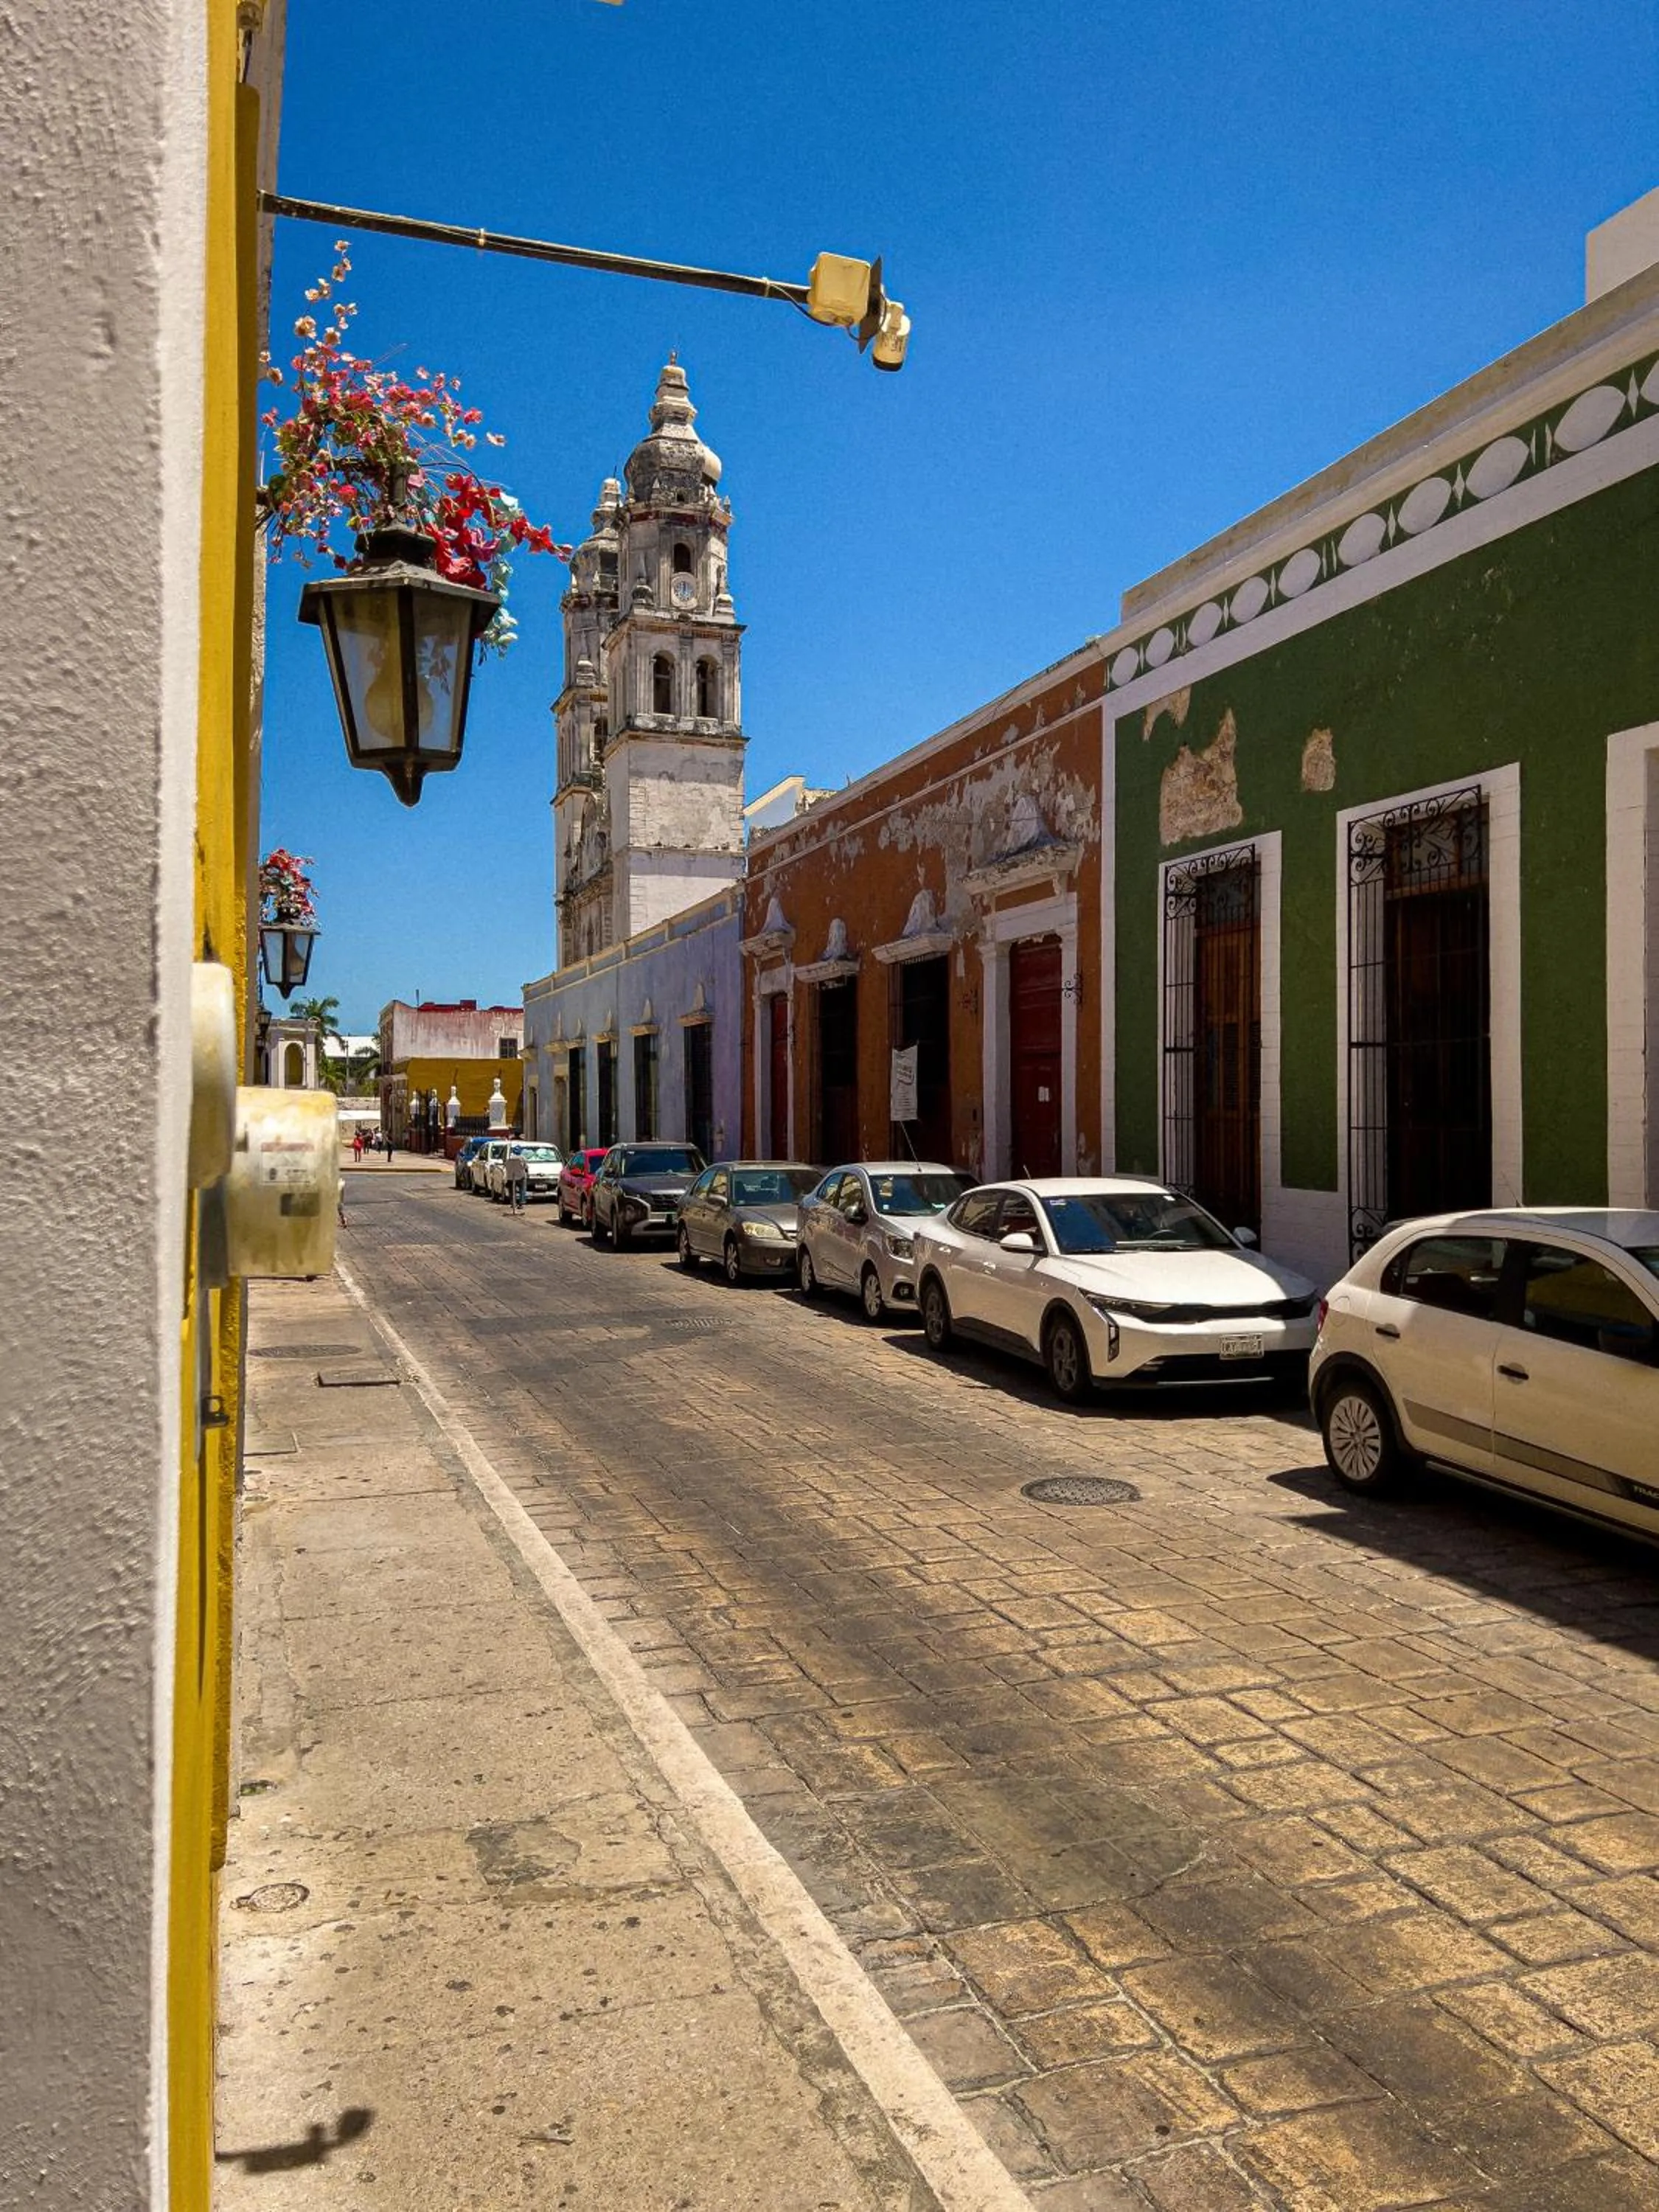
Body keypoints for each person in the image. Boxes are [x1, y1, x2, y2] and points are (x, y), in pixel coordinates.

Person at [502, 1145, 529, 1214]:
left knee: (512, 1190)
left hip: (510, 1177)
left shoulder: (509, 1158)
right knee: (522, 1189)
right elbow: (526, 1167)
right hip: (520, 1177)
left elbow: (505, 1166)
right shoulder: (522, 1158)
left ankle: (513, 1203)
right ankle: (521, 1203)